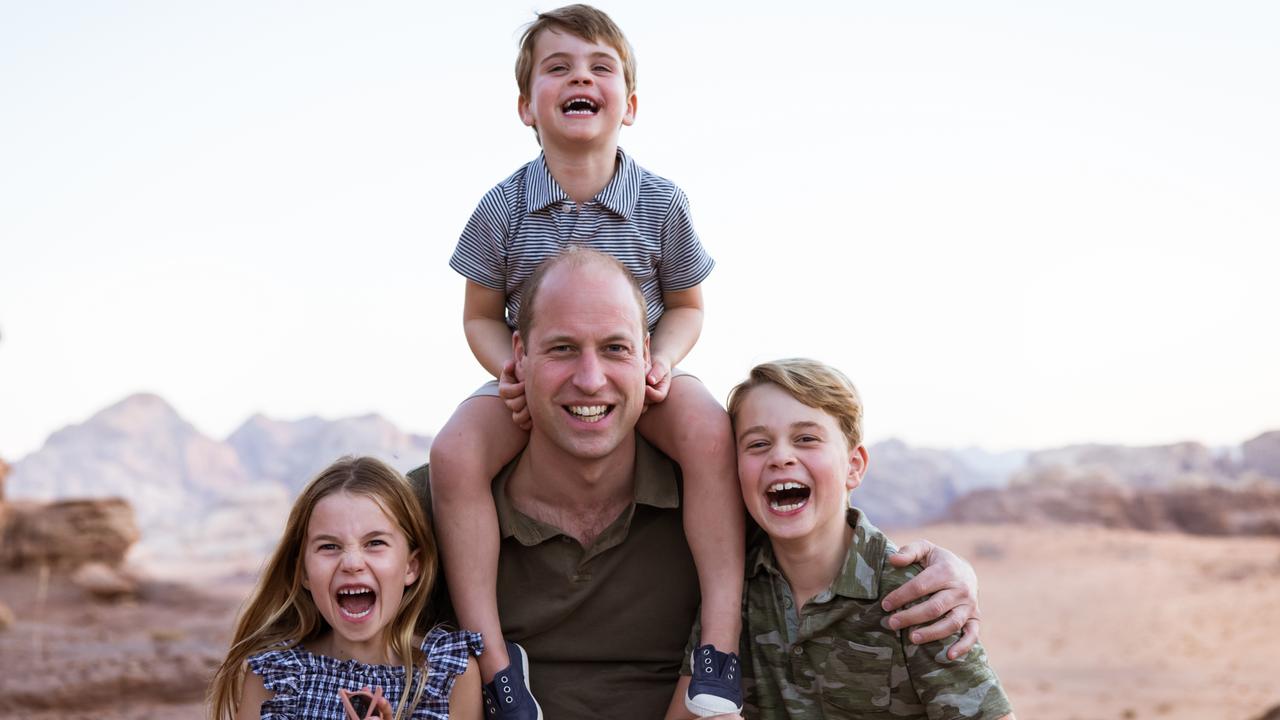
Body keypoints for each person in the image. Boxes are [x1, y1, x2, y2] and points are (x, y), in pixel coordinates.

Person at [410, 249, 983, 720]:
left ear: (650, 360)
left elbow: (822, 541)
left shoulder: (719, 505)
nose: (590, 379)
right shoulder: (435, 510)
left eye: (615, 349)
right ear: (519, 356)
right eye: (562, 348)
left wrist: (948, 573)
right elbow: (335, 575)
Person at [429, 4, 744, 718]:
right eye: (559, 67)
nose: (581, 78)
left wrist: (663, 357)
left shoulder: (662, 203)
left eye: (601, 67)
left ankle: (718, 649)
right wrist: (504, 370)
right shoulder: (501, 208)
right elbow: (480, 316)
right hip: (532, 382)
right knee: (453, 452)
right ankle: (497, 667)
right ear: (525, 105)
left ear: (629, 105)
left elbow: (689, 305)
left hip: (643, 378)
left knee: (708, 432)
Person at [670, 359, 1015, 719]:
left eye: (806, 439)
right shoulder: (731, 586)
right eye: (758, 444)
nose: (781, 457)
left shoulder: (913, 594)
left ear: (854, 467)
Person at [209, 456, 483, 720]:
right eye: (329, 546)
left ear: (411, 567)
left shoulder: (449, 675)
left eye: (375, 543)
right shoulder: (275, 676)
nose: (352, 563)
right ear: (303, 572)